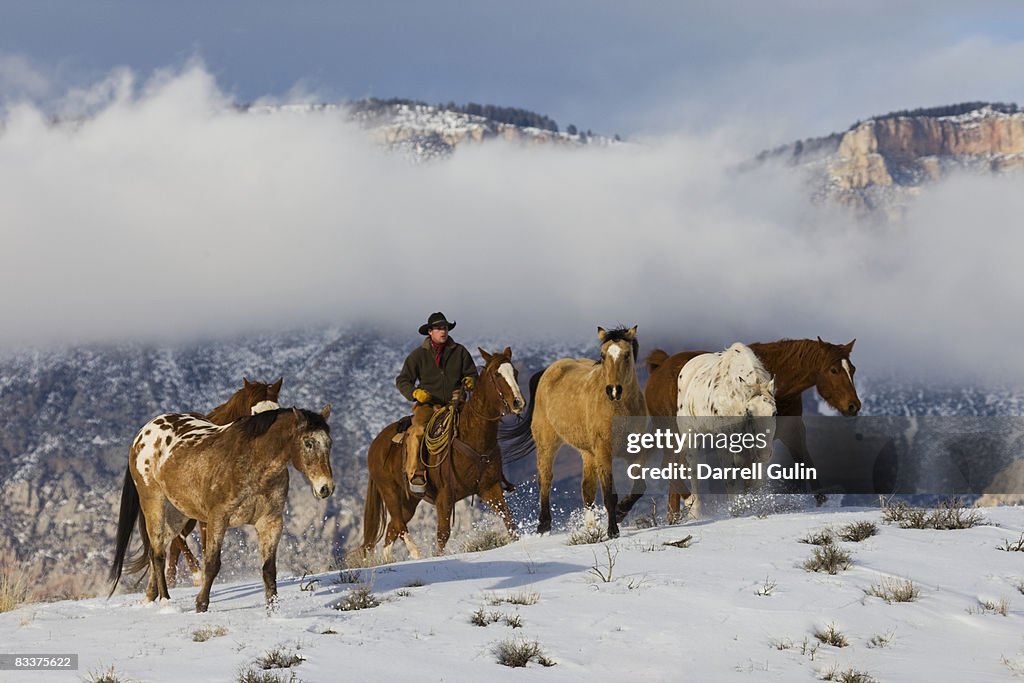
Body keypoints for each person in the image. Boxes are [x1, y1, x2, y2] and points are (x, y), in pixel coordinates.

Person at [396, 312, 479, 494]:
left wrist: (471, 381)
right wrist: (415, 393)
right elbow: (403, 380)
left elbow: (472, 374)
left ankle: (489, 472)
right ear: (430, 332)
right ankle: (417, 473)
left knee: (479, 429)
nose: (443, 331)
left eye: (445, 328)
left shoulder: (460, 352)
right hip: (428, 405)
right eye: (439, 328)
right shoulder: (418, 356)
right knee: (418, 431)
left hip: (456, 404)